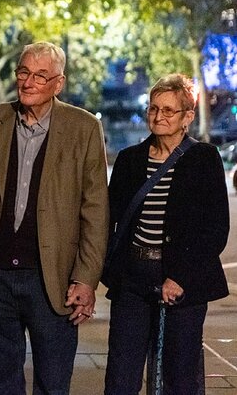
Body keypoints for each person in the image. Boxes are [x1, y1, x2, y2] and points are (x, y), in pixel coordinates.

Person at [0, 41, 109, 394]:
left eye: (40, 75)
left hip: (53, 279)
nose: (28, 82)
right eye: (23, 72)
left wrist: (86, 279)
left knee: (53, 384)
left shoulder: (83, 128)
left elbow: (96, 211)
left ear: (58, 83)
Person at [103, 74, 229, 394]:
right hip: (132, 279)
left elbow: (216, 230)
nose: (158, 117)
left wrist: (180, 278)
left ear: (188, 117)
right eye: (153, 108)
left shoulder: (204, 159)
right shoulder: (130, 159)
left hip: (182, 281)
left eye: (168, 110)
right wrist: (109, 271)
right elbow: (108, 219)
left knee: (180, 373)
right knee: (122, 371)